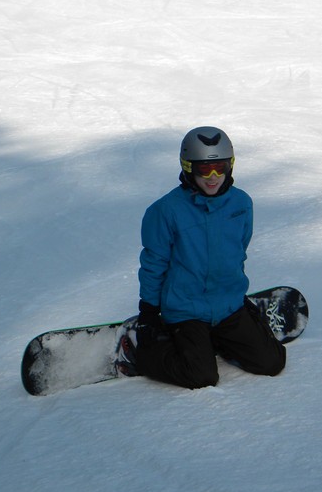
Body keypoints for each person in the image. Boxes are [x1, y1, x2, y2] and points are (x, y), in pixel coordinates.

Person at [116, 126, 286, 389]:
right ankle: (143, 354)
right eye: (204, 169)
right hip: (187, 310)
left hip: (227, 306)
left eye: (220, 167)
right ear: (188, 167)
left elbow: (238, 252)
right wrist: (149, 309)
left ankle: (215, 340)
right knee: (202, 376)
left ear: (230, 165)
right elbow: (154, 263)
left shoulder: (241, 204)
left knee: (272, 363)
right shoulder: (165, 211)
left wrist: (234, 292)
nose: (213, 177)